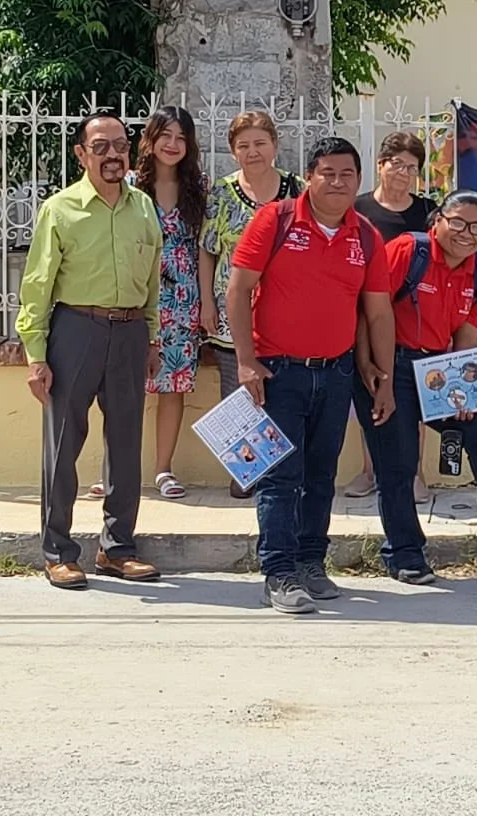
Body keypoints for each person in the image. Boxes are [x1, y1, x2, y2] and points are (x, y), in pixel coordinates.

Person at [227, 136, 397, 615]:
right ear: (309, 177)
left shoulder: (366, 237)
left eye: (347, 174)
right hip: (277, 373)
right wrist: (245, 361)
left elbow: (378, 313)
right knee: (280, 477)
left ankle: (310, 563)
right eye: (328, 173)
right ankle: (278, 574)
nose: (337, 182)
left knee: (321, 476)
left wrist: (383, 377)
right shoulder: (275, 220)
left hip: (336, 373)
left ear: (359, 180)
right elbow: (237, 291)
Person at [353, 189, 477, 586]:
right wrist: (371, 369)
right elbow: (367, 310)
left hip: (437, 371)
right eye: (458, 222)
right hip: (388, 365)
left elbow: (466, 336)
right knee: (398, 463)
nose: (466, 233)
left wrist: (463, 392)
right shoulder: (409, 251)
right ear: (438, 221)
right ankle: (404, 553)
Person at [17, 112, 163, 590]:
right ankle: (59, 552)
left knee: (125, 443)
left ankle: (117, 548)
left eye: (120, 145)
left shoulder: (144, 207)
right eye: (100, 147)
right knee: (63, 444)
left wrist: (152, 337)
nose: (113, 155)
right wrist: (36, 355)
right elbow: (37, 284)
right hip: (76, 329)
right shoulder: (60, 210)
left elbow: (152, 280)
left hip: (130, 333)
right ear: (81, 154)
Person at [198, 110, 302, 499]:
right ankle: (246, 471)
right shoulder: (221, 193)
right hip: (232, 310)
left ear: (274, 145)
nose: (252, 152)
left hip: (284, 310)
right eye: (243, 145)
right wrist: (207, 302)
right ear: (233, 151)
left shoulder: (297, 190)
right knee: (236, 390)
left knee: (283, 390)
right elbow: (208, 249)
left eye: (260, 143)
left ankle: (282, 472)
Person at [347, 131, 439, 501]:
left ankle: (414, 473)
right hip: (365, 315)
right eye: (397, 164)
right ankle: (370, 471)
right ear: (380, 165)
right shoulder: (358, 209)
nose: (403, 173)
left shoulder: (428, 211)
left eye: (412, 168)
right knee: (369, 390)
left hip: (413, 317)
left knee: (413, 398)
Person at [134, 105, 206, 500]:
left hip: (182, 300)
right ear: (151, 139)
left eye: (181, 137)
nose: (173, 144)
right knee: (123, 387)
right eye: (166, 135)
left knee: (172, 385)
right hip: (135, 296)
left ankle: (164, 469)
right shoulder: (129, 187)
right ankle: (116, 468)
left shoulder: (198, 188)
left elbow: (207, 247)